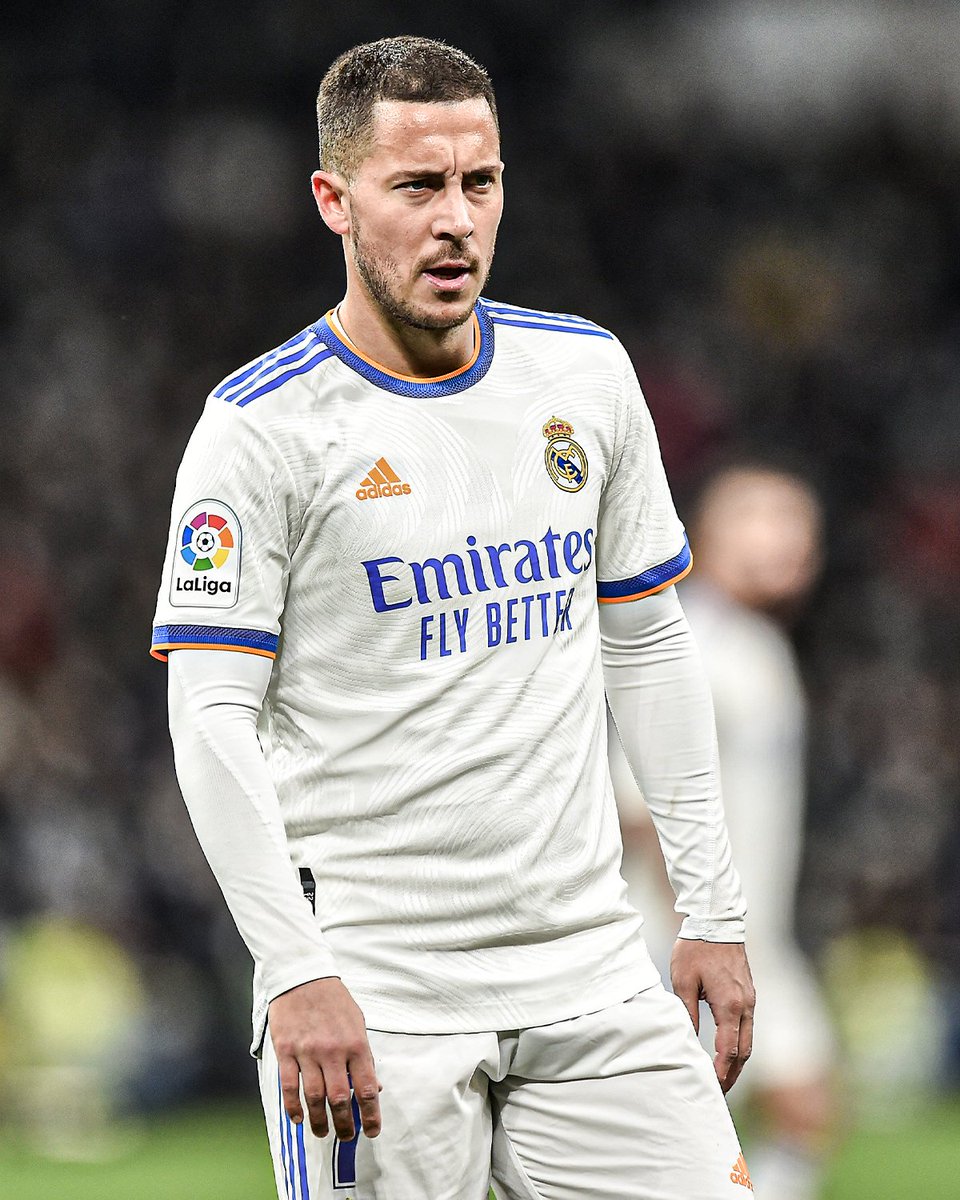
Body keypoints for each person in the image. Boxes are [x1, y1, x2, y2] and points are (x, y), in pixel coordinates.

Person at [151, 36, 755, 1200]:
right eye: (418, 186)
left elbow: (647, 642)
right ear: (334, 200)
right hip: (380, 993)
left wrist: (713, 911)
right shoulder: (261, 430)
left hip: (593, 972)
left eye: (480, 182)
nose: (457, 221)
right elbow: (210, 717)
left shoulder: (583, 375)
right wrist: (294, 969)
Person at [611, 463, 838, 1200]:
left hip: (748, 932)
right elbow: (639, 807)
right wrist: (694, 928)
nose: (787, 538)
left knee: (800, 1109)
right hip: (691, 939)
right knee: (682, 1141)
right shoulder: (690, 643)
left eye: (797, 522)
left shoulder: (752, 644)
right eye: (761, 518)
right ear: (704, 532)